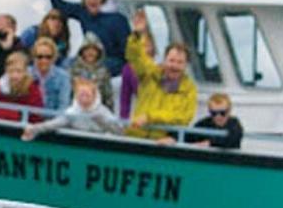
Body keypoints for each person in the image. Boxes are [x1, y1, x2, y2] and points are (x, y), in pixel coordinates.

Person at [124, 9, 198, 143]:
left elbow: (183, 117)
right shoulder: (149, 74)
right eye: (171, 60)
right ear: (164, 60)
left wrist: (150, 117)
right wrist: (137, 35)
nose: (174, 66)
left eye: (180, 62)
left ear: (186, 65)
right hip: (135, 138)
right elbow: (135, 57)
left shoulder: (189, 89)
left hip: (162, 144)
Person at [44, 0, 130, 75]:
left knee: (88, 71)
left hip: (112, 61)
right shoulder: (83, 12)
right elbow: (62, 7)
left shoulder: (118, 19)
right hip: (89, 58)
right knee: (63, 65)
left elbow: (127, 50)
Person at [21, 77, 123, 140]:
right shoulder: (72, 112)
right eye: (81, 95)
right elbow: (54, 124)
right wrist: (35, 129)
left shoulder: (102, 112)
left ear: (94, 96)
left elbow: (118, 131)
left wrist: (101, 120)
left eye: (87, 95)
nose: (84, 98)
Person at [0, 51, 44, 122]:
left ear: (25, 72)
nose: (14, 76)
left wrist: (13, 115)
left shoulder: (32, 88)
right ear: (6, 70)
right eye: (11, 71)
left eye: (19, 71)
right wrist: (14, 114)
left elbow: (35, 117)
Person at [69, 32, 115, 110]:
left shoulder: (104, 71)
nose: (90, 53)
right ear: (82, 52)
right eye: (87, 50)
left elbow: (108, 96)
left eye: (93, 50)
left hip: (98, 112)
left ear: (99, 52)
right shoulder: (74, 70)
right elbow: (69, 94)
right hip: (77, 111)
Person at [119, 27, 155, 120]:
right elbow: (125, 98)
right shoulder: (127, 69)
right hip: (140, 110)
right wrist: (124, 120)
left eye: (146, 45)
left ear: (152, 47)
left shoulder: (159, 67)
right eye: (141, 46)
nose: (143, 49)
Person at [29, 37, 72, 111]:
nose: (44, 60)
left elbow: (63, 106)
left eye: (48, 57)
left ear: (54, 57)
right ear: (34, 57)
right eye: (40, 56)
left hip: (53, 120)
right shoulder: (26, 73)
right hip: (28, 118)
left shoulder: (63, 77)